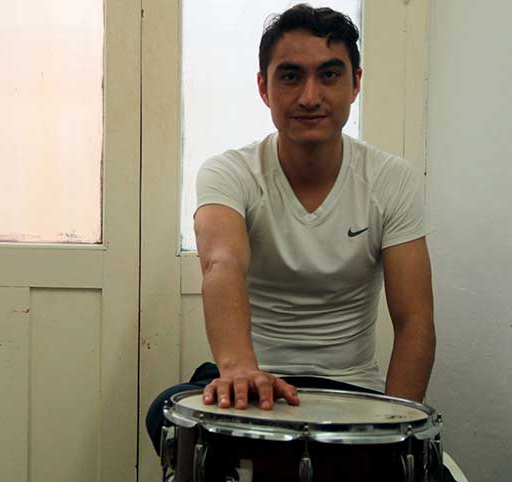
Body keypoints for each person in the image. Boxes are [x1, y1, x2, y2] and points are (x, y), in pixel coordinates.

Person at [146, 3, 454, 481]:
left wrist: (398, 430)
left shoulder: (392, 180)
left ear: (355, 83)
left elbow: (415, 320)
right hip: (253, 381)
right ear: (263, 87)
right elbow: (221, 263)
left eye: (329, 75)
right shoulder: (230, 172)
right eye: (290, 77)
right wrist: (239, 369)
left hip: (353, 389)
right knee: (165, 412)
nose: (310, 96)